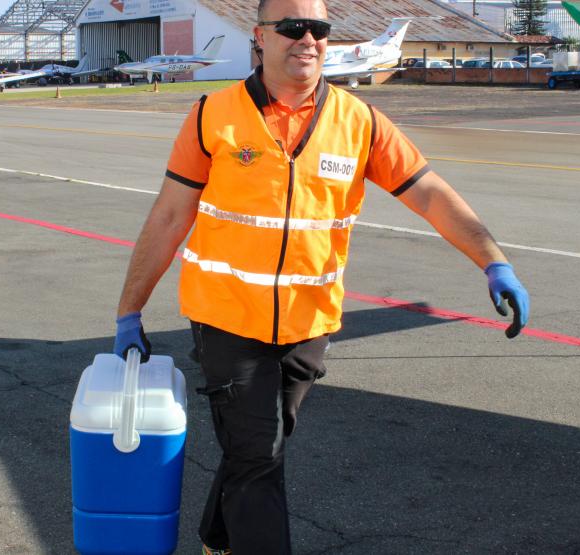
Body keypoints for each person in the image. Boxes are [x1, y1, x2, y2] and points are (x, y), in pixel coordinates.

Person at [113, 0, 530, 552]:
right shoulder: (212, 114)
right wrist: (129, 309)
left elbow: (429, 194)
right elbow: (169, 216)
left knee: (259, 446)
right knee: (260, 456)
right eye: (292, 27)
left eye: (319, 28)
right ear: (260, 37)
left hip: (310, 324)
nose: (307, 38)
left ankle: (216, 538)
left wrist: (492, 259)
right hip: (227, 317)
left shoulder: (359, 121)